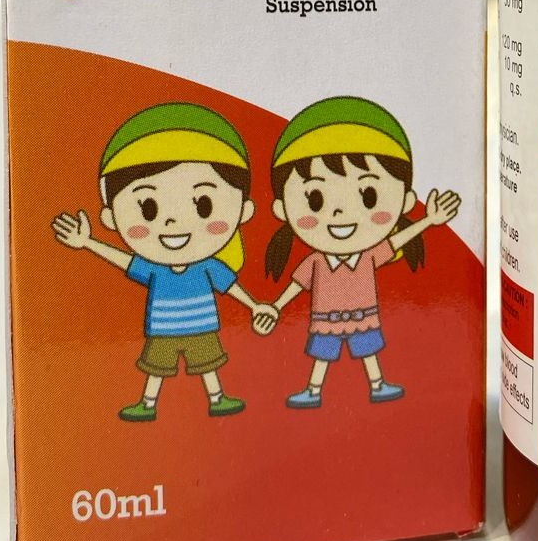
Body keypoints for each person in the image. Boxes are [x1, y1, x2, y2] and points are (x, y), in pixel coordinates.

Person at [50, 102, 274, 421]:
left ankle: (217, 399)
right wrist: (88, 243)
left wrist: (255, 306)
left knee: (208, 365)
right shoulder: (155, 268)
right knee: (156, 368)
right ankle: (147, 403)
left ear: (243, 211)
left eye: (204, 205)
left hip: (201, 327)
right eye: (149, 208)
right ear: (112, 217)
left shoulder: (207, 266)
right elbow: (125, 261)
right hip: (163, 330)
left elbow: (230, 286)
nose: (172, 222)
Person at [258, 95, 459, 409]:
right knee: (323, 355)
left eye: (368, 196)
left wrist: (428, 221)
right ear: (283, 209)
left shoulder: (368, 255)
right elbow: (298, 284)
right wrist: (276, 306)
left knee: (368, 351)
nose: (339, 213)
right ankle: (313, 390)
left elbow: (396, 241)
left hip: (363, 315)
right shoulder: (316, 261)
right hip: (326, 319)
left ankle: (377, 385)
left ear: (405, 201)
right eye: (315, 199)